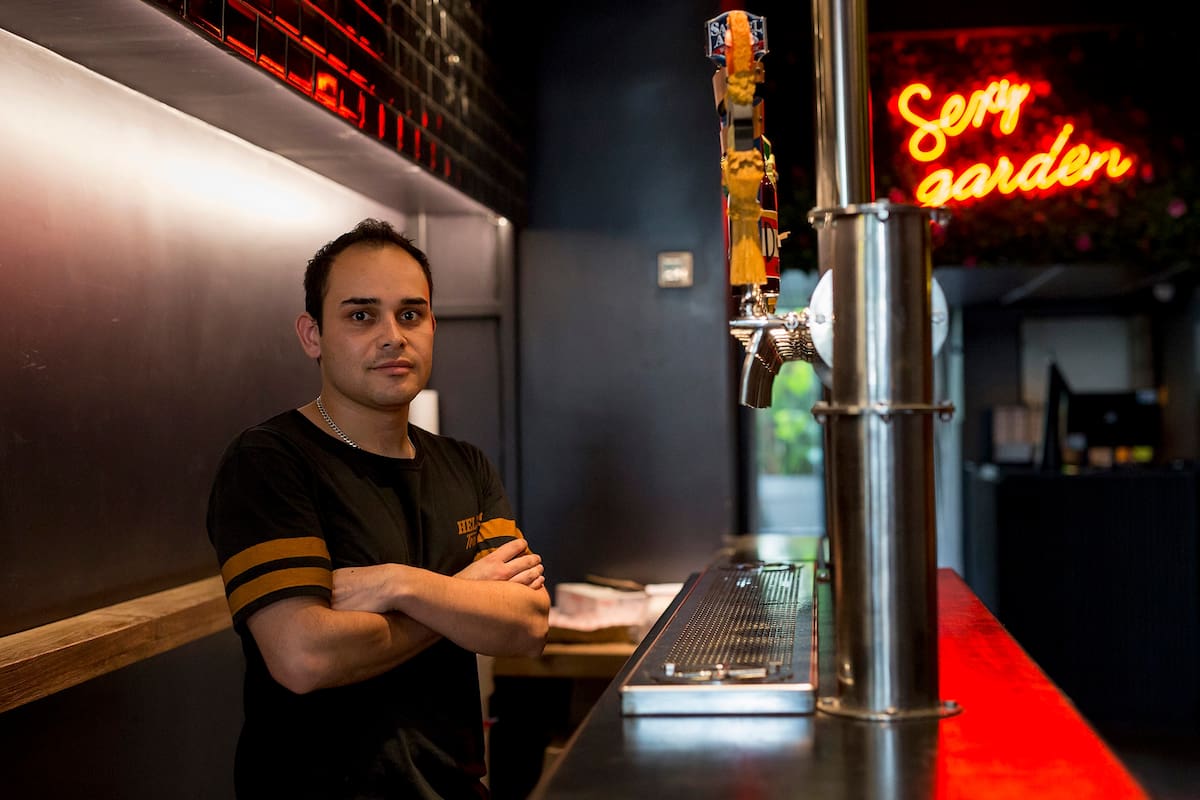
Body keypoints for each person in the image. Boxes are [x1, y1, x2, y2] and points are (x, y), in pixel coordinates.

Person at [206, 218, 550, 799]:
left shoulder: (465, 465)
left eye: (411, 314)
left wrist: (397, 584)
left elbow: (527, 624)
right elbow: (303, 655)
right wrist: (461, 594)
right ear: (312, 335)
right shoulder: (268, 462)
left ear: (433, 326)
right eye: (361, 315)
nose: (393, 335)